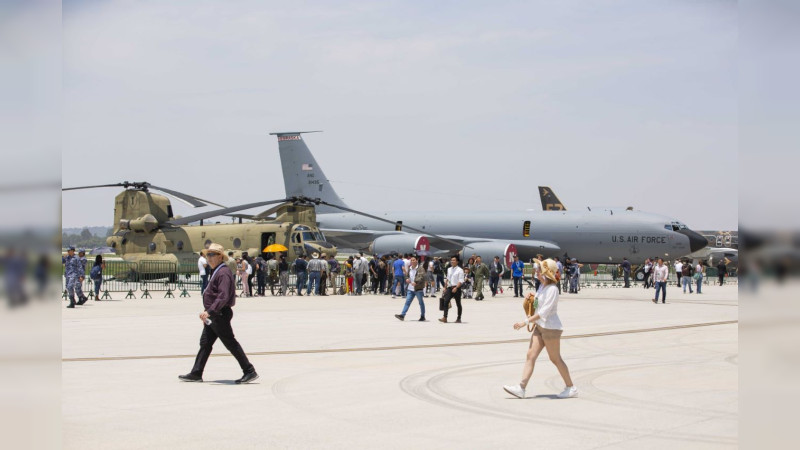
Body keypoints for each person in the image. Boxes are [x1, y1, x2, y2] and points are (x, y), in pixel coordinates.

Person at [178, 243, 258, 384]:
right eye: (207, 255)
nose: (209, 258)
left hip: (219, 314)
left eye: (212, 255)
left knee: (230, 343)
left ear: (220, 257)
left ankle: (249, 371)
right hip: (214, 314)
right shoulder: (216, 270)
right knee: (205, 343)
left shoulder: (223, 272)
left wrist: (209, 311)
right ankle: (196, 373)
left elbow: (223, 296)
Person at [503, 258, 577, 399]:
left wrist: (524, 322)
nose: (536, 273)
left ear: (546, 274)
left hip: (551, 328)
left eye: (538, 271)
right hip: (540, 327)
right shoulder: (542, 287)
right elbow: (538, 305)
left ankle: (571, 387)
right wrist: (532, 297)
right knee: (530, 355)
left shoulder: (553, 289)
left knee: (555, 359)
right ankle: (521, 388)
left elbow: (544, 312)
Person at [394, 256, 427, 321]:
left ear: (417, 260)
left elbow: (421, 277)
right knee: (407, 302)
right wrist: (407, 279)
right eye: (411, 260)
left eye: (413, 260)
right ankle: (402, 315)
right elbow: (407, 276)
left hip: (418, 288)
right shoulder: (410, 268)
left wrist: (416, 282)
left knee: (421, 303)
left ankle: (422, 316)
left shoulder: (420, 268)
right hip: (410, 289)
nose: (412, 261)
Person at [439, 256, 464, 323]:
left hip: (457, 288)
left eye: (454, 260)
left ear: (457, 262)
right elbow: (447, 279)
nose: (452, 261)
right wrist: (445, 287)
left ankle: (459, 318)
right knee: (446, 301)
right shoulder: (449, 269)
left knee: (458, 303)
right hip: (450, 288)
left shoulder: (460, 270)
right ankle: (445, 317)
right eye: (451, 260)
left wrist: (456, 288)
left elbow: (461, 280)